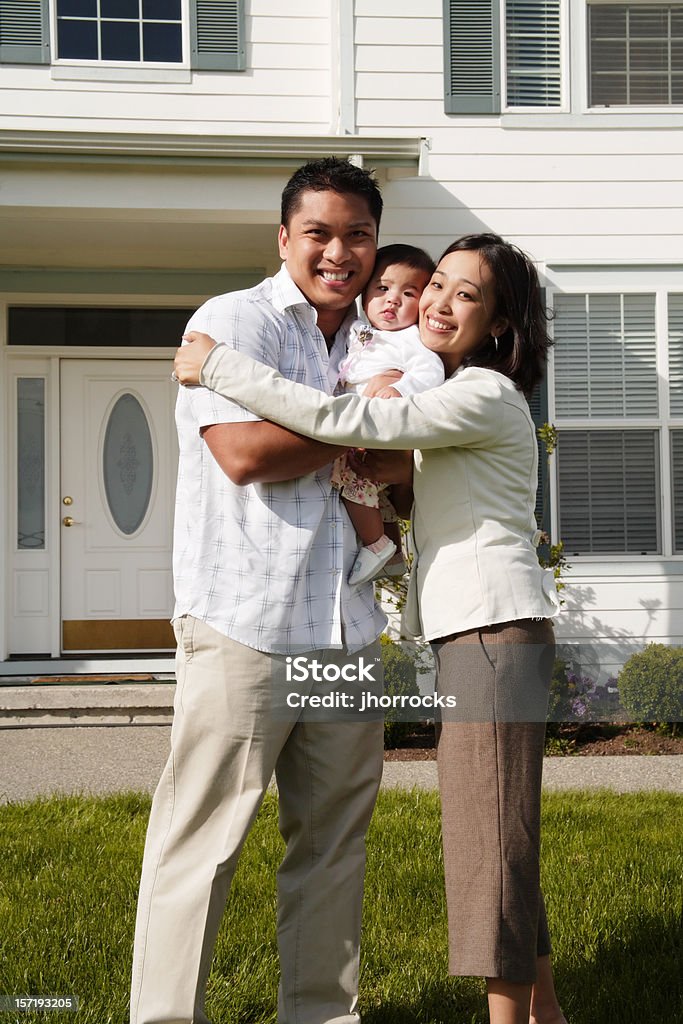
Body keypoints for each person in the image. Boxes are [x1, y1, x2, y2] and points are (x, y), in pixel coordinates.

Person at [174, 232, 569, 1024]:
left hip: (492, 632)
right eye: (439, 285)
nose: (439, 301)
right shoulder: (459, 402)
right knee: (503, 829)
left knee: (485, 835)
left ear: (497, 324)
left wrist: (215, 366)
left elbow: (340, 414)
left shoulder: (478, 394)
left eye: (467, 294)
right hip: (494, 631)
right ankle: (545, 1013)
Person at [130, 157, 389, 1024]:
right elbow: (244, 456)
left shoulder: (377, 341)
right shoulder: (231, 321)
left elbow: (405, 459)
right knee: (199, 847)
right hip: (244, 623)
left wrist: (344, 431)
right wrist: (361, 423)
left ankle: (319, 1017)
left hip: (346, 629)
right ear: (285, 239)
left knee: (331, 852)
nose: (338, 251)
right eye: (318, 232)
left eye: (357, 234)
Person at [332, 243, 442, 584]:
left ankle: (375, 543)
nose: (392, 299)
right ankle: (394, 552)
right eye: (382, 288)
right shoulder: (356, 330)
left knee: (351, 482)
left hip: (380, 430)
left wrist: (401, 389)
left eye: (408, 293)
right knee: (373, 494)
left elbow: (430, 371)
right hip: (357, 426)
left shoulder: (412, 339)